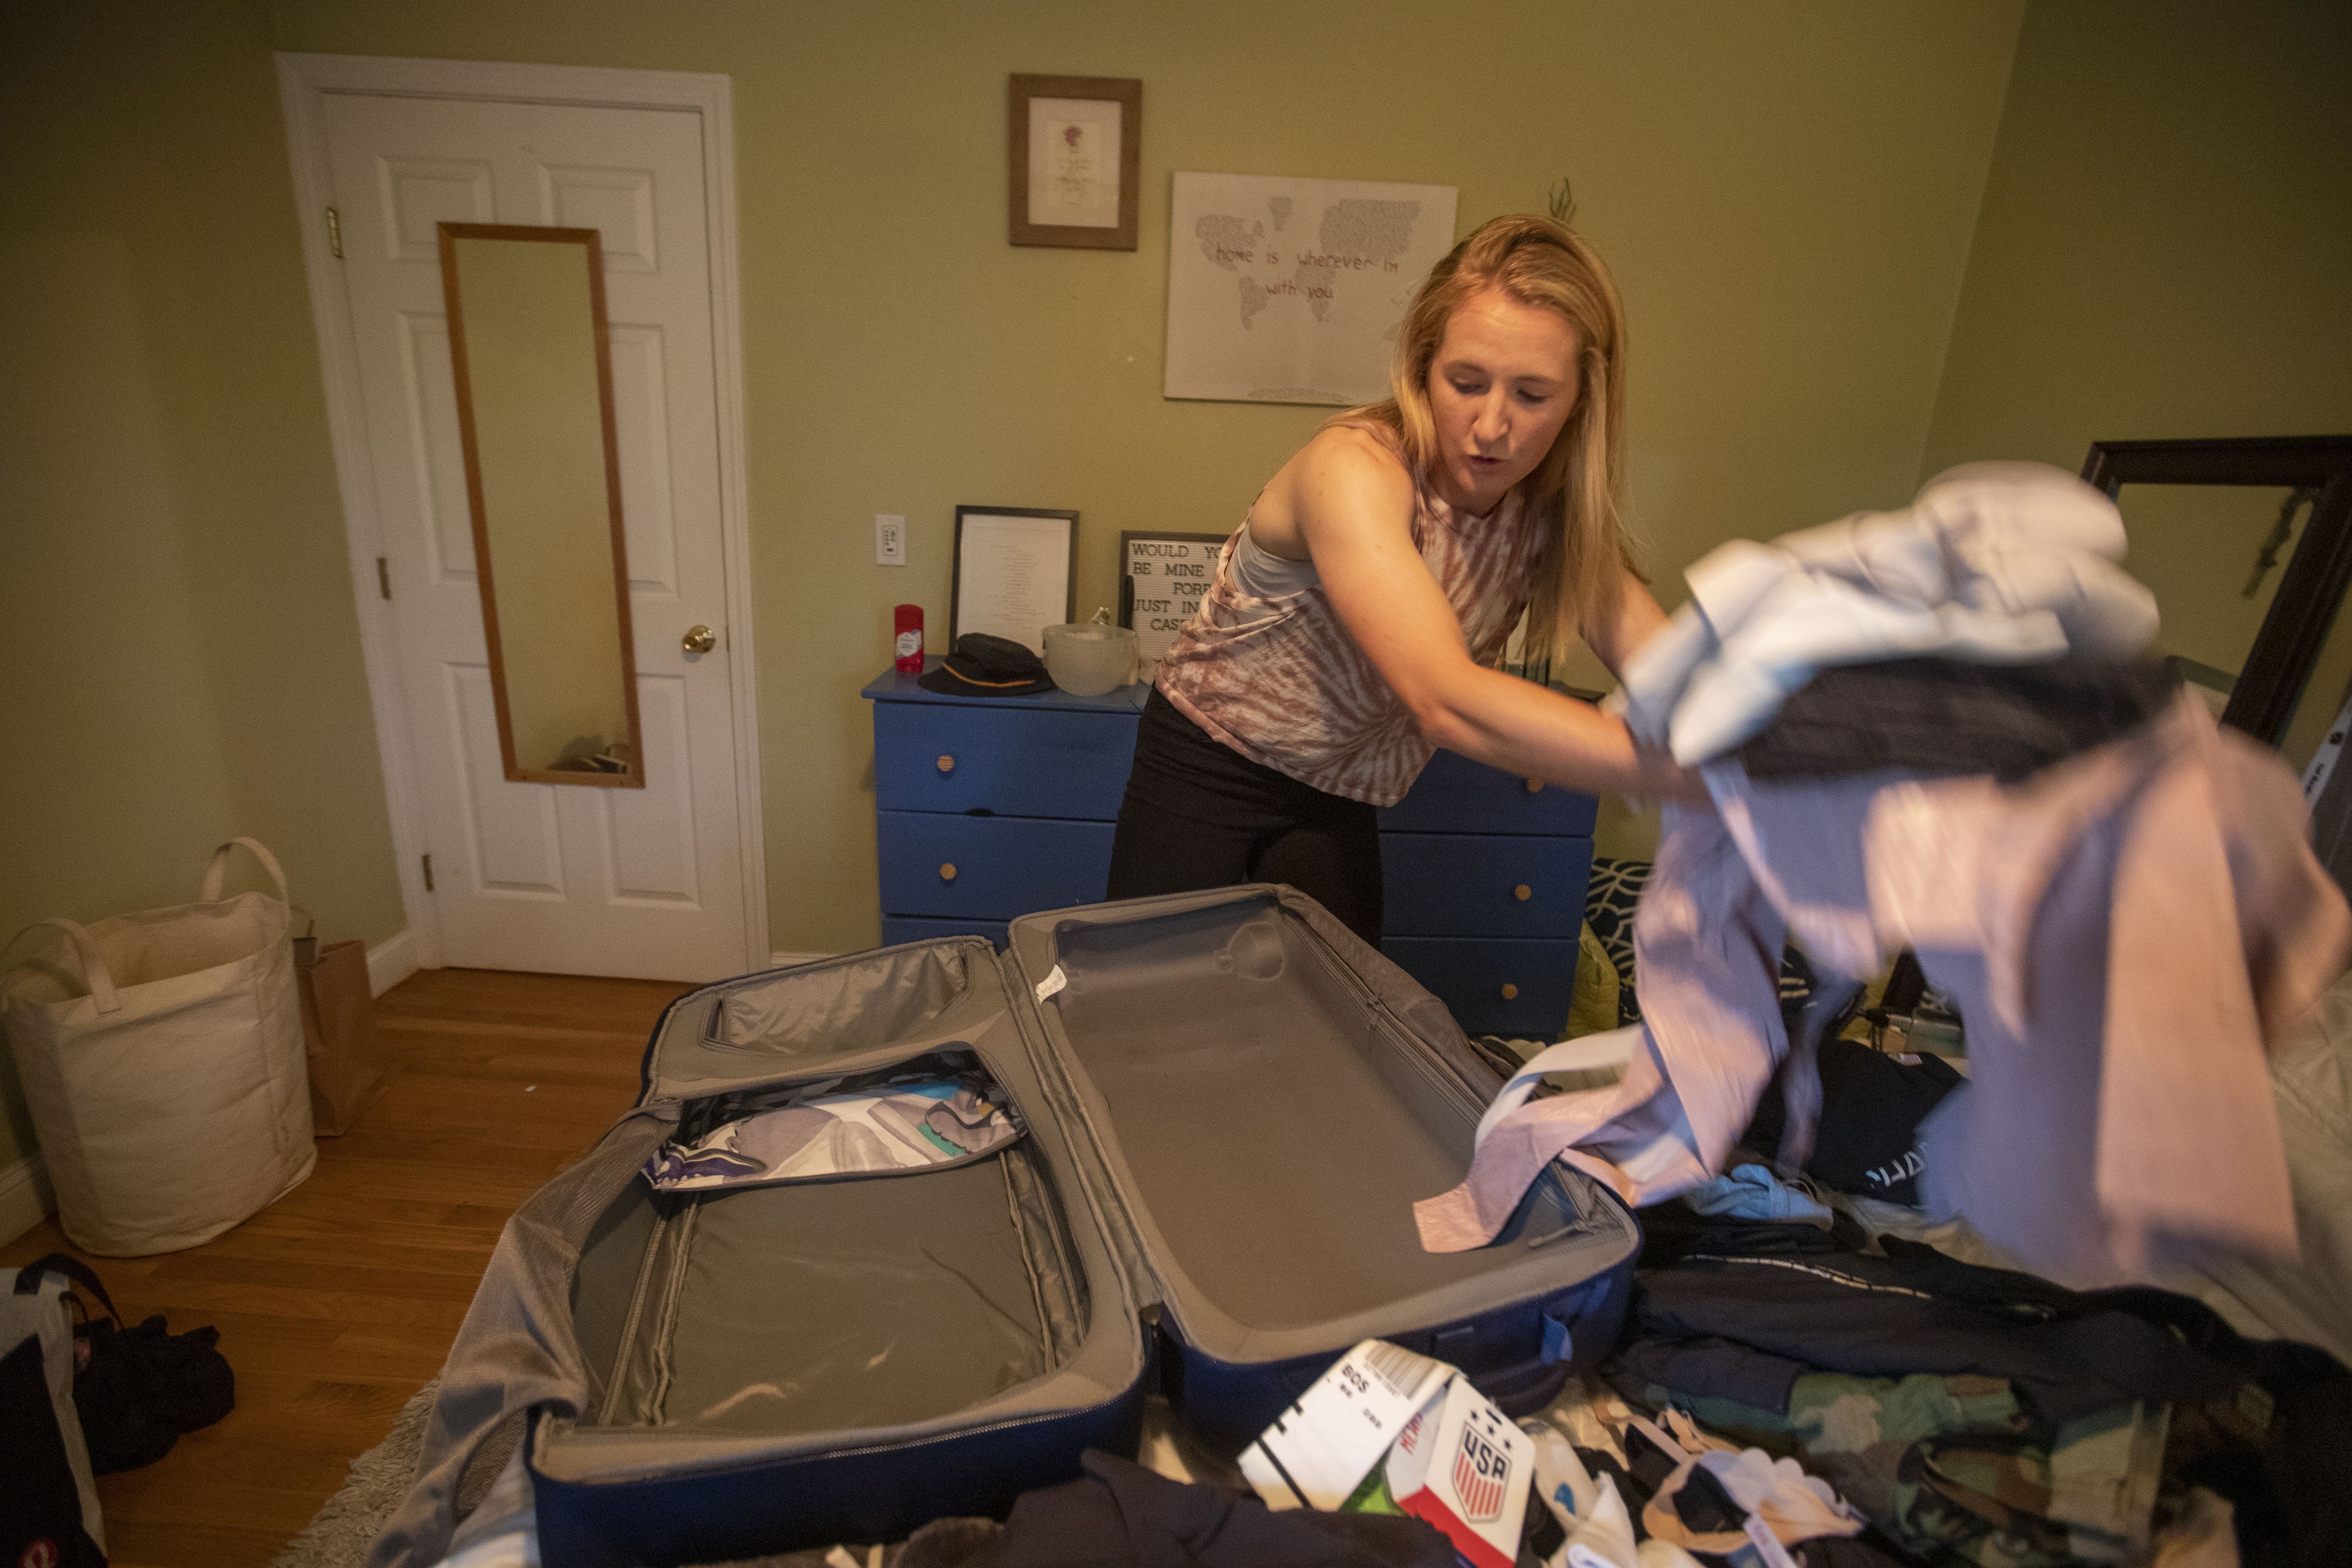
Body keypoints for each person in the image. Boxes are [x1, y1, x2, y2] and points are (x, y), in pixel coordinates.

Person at [1105, 213, 1690, 947]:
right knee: (1152, 1012)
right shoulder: (1353, 470)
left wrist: (1788, 746)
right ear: (1421, 368)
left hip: (1340, 791)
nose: (1490, 427)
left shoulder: (1549, 522)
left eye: (1533, 396)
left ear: (1581, 403)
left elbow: (1678, 678)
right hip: (1205, 765)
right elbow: (1445, 700)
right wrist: (1685, 775)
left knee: (1341, 1026)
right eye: (1466, 383)